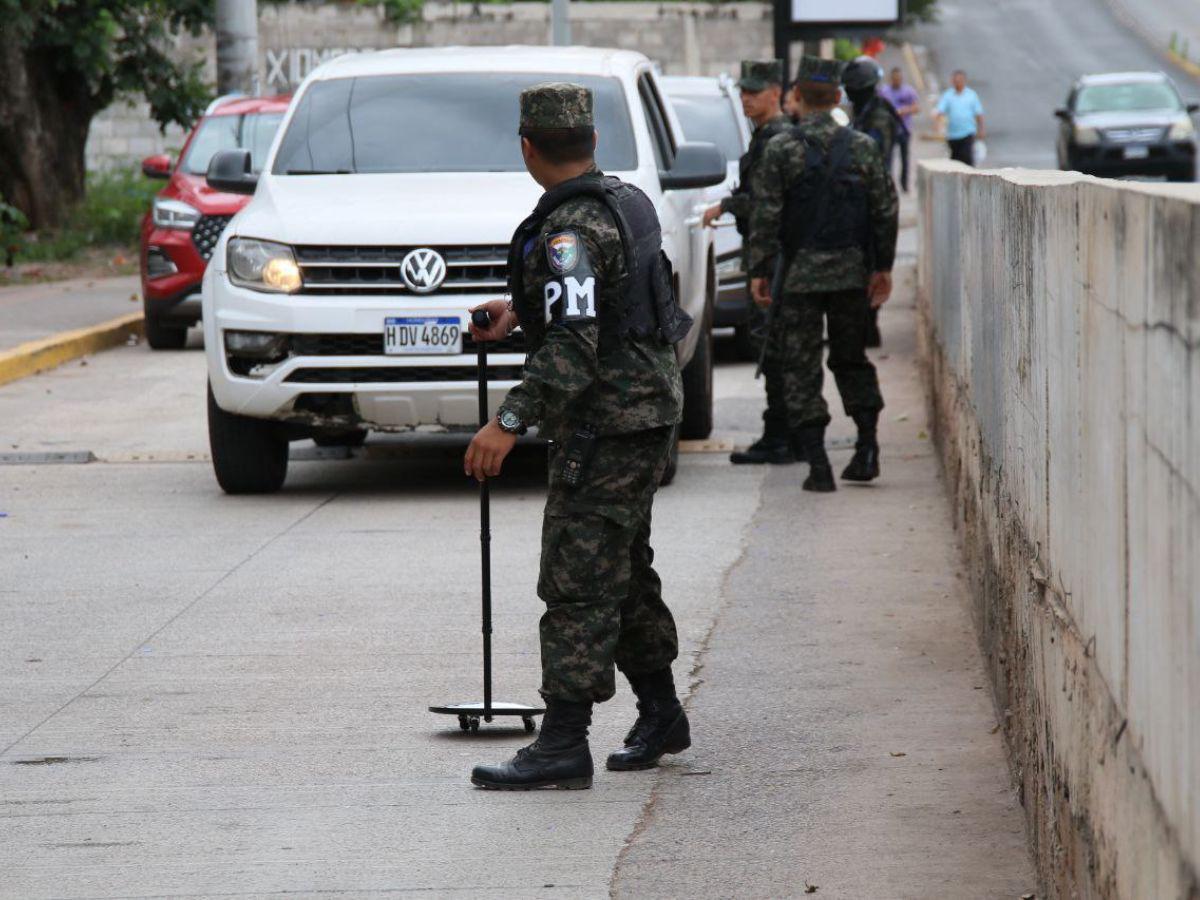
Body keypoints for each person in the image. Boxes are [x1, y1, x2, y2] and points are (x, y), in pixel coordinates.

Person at [465, 82, 693, 790]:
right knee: (620, 570)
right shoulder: (622, 202)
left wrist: (507, 422)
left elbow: (574, 345)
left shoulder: (568, 232)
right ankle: (660, 712)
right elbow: (609, 303)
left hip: (608, 422)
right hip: (647, 409)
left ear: (528, 147)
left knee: (576, 576)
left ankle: (563, 742)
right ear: (591, 142)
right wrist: (517, 312)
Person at [748, 57, 899, 492]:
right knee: (851, 359)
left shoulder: (781, 149)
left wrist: (760, 269)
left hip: (798, 278)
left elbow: (766, 215)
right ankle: (867, 448)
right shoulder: (864, 147)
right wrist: (882, 267)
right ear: (837, 97)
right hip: (852, 274)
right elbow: (885, 210)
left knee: (801, 367)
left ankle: (819, 467)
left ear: (797, 95)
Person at [701, 60, 795, 466]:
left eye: (754, 92)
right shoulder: (766, 136)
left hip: (774, 258)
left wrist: (727, 204)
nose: (745, 99)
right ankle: (782, 433)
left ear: (776, 92)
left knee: (775, 348)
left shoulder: (778, 138)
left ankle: (782, 437)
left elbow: (767, 203)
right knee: (772, 347)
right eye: (743, 92)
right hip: (768, 255)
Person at [841, 59, 904, 349]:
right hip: (858, 201)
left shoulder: (878, 117)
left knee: (873, 266)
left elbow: (874, 160)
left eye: (853, 90)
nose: (850, 95)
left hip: (873, 199)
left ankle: (869, 323)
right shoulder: (864, 112)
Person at [879, 67, 920, 192]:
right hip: (888, 129)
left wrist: (903, 111)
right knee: (888, 158)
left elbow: (916, 107)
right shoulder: (884, 91)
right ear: (890, 79)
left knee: (905, 159)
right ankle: (888, 184)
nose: (896, 81)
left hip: (904, 129)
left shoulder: (908, 91)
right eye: (894, 79)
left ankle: (904, 185)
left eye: (898, 79)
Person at [935, 70, 985, 165]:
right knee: (955, 161)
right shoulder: (948, 95)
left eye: (959, 80)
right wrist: (937, 125)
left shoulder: (971, 95)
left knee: (967, 159)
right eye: (955, 80)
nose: (957, 83)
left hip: (967, 133)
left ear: (964, 81)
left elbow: (979, 114)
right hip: (953, 135)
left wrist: (981, 129)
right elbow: (940, 111)